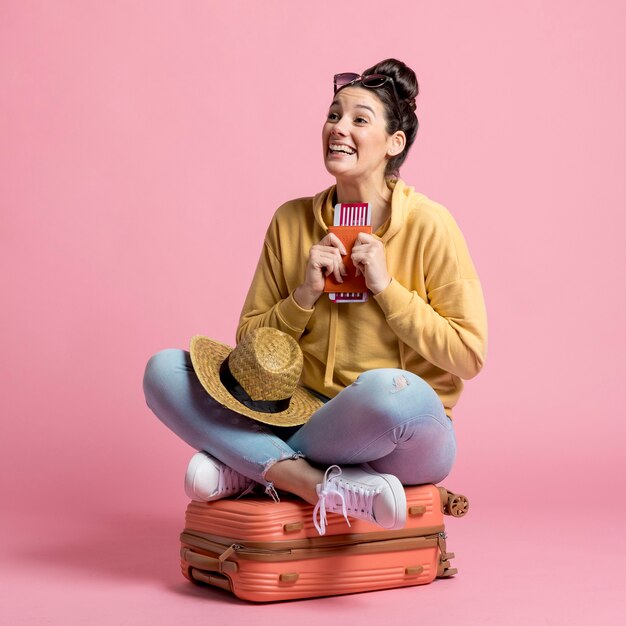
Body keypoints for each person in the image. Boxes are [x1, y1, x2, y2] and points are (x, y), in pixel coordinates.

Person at [143, 58, 488, 536]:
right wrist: (302, 295)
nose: (338, 128)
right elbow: (249, 345)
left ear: (395, 143)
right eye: (333, 115)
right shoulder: (290, 221)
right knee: (165, 370)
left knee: (394, 394)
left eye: (359, 119)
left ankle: (251, 466)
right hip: (299, 411)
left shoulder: (431, 224)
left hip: (400, 433)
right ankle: (309, 480)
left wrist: (388, 291)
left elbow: (469, 355)